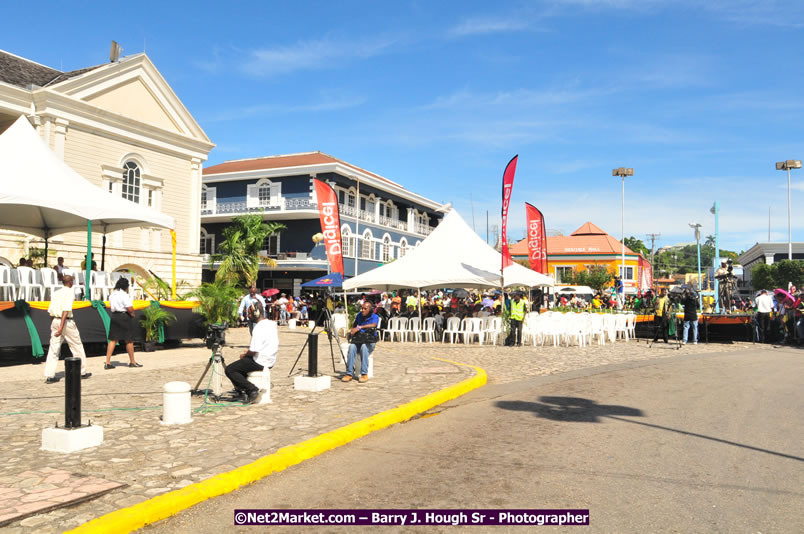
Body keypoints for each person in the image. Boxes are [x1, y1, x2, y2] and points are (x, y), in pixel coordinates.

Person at [225, 302, 277, 404]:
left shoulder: (258, 328)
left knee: (230, 369)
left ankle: (252, 390)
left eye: (249, 313)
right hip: (270, 360)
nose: (248, 316)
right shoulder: (271, 324)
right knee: (243, 364)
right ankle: (242, 391)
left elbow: (253, 351)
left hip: (260, 361)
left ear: (256, 313)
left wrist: (244, 355)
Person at [44, 274, 91, 383]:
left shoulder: (56, 293)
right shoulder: (69, 292)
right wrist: (61, 327)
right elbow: (66, 310)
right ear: (70, 282)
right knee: (76, 345)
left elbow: (51, 311)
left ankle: (50, 375)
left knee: (53, 348)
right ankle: (82, 371)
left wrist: (55, 325)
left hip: (55, 319)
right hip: (66, 321)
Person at [104, 277, 142, 369]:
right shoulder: (124, 295)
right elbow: (129, 308)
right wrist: (132, 314)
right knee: (129, 339)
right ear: (126, 286)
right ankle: (132, 361)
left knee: (113, 339)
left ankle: (107, 362)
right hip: (124, 316)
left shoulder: (112, 295)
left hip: (114, 316)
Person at [342, 301, 379, 383]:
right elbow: (355, 325)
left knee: (364, 347)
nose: (363, 310)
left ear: (370, 309)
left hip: (369, 342)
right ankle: (349, 373)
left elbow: (374, 325)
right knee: (351, 347)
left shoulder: (375, 316)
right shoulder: (359, 315)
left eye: (365, 308)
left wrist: (360, 327)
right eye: (362, 308)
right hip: (359, 340)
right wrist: (352, 331)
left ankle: (364, 373)